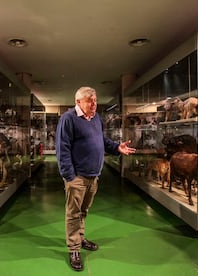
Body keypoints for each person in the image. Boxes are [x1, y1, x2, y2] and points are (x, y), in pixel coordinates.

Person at [55, 86, 136, 271]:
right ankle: (74, 249)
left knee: (83, 211)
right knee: (73, 213)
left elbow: (102, 140)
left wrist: (116, 147)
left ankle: (80, 238)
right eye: (89, 100)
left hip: (93, 176)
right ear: (78, 102)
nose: (94, 103)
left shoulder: (96, 118)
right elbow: (62, 149)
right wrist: (70, 176)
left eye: (95, 100)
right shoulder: (68, 118)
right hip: (77, 178)